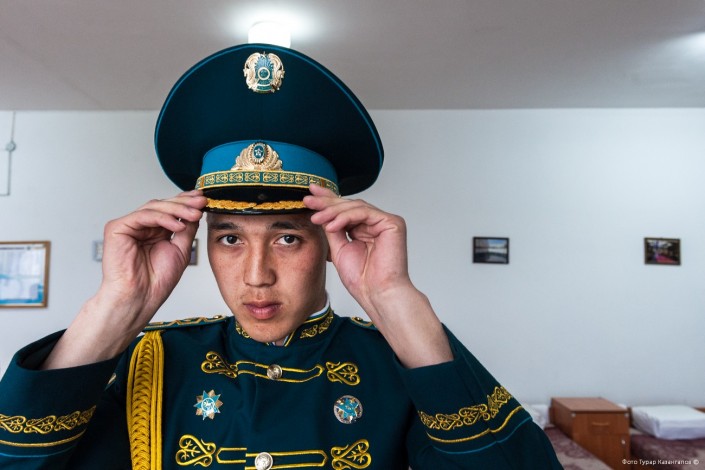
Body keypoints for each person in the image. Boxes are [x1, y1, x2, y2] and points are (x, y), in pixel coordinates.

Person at [0, 44, 560, 469]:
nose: (256, 275)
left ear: (331, 243)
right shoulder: (154, 359)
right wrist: (117, 305)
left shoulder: (399, 365)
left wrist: (395, 300)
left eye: (287, 237)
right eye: (229, 238)